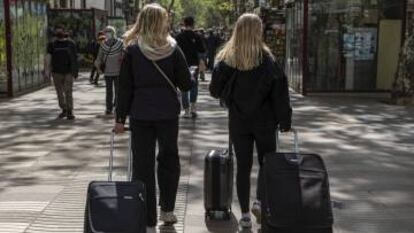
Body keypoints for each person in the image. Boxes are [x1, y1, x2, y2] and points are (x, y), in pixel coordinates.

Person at [114, 4, 192, 233]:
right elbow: (186, 84)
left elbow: (125, 88)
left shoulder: (133, 51)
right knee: (169, 160)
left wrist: (120, 119)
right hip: (168, 114)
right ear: (162, 22)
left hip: (140, 114)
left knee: (142, 165)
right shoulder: (173, 49)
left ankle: (147, 218)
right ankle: (167, 210)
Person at [209, 13, 292, 229]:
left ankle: (245, 214)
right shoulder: (268, 60)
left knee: (243, 167)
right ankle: (260, 201)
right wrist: (285, 121)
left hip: (238, 121)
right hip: (265, 121)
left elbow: (214, 90)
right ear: (258, 31)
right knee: (267, 163)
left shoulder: (227, 58)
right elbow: (280, 94)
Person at [175, 16, 206, 118]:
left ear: (184, 23)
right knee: (194, 84)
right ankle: (193, 107)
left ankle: (186, 110)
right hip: (194, 64)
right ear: (193, 24)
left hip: (181, 64)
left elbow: (174, 50)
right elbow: (202, 50)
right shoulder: (197, 36)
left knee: (183, 86)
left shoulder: (178, 36)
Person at [45, 26, 78, 120]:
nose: (58, 31)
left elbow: (74, 58)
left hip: (68, 72)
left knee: (68, 91)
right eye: (57, 30)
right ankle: (64, 108)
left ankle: (70, 111)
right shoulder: (52, 44)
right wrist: (47, 70)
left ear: (64, 32)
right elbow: (48, 57)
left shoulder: (71, 43)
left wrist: (75, 72)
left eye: (60, 30)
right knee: (59, 92)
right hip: (56, 72)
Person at [95, 26, 123, 115]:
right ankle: (109, 108)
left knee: (118, 91)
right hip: (107, 72)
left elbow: (124, 55)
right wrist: (98, 68)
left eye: (109, 31)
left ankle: (118, 107)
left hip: (119, 72)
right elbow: (99, 57)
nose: (107, 33)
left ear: (113, 32)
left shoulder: (120, 43)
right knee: (109, 91)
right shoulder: (103, 45)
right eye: (106, 31)